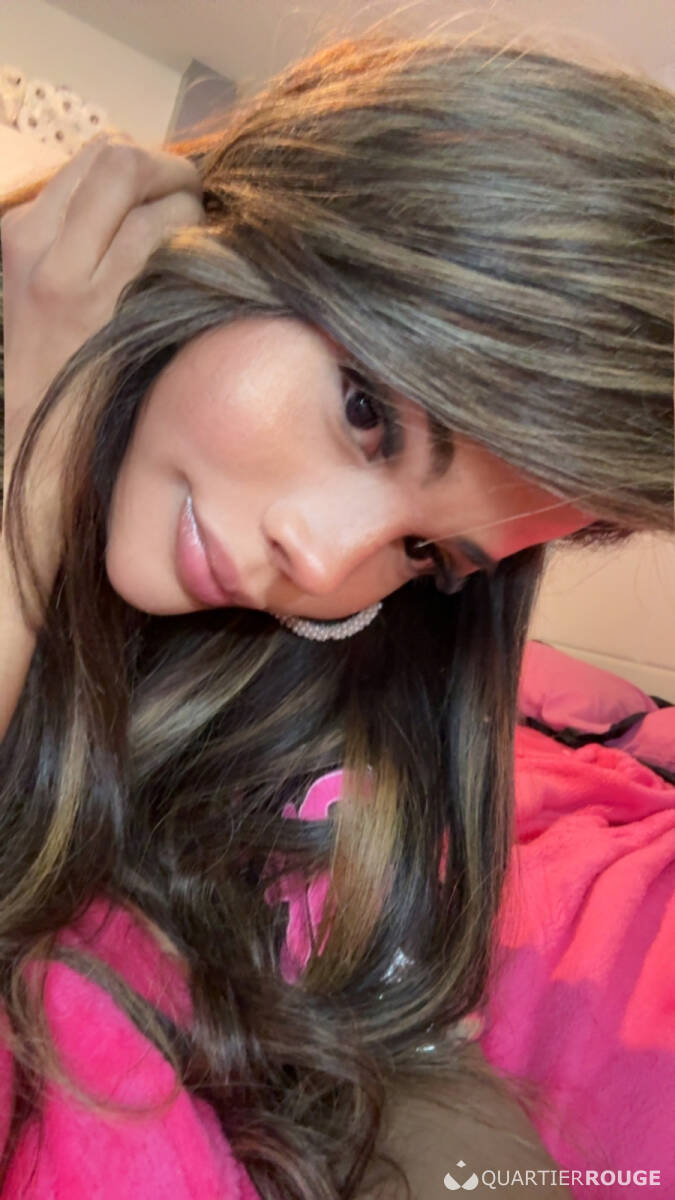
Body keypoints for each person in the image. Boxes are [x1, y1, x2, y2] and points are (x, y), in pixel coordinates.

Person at [0, 26, 672, 1200]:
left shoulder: (323, 695)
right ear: (261, 224)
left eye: (424, 553)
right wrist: (35, 445)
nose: (321, 561)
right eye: (365, 411)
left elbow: (402, 1044)